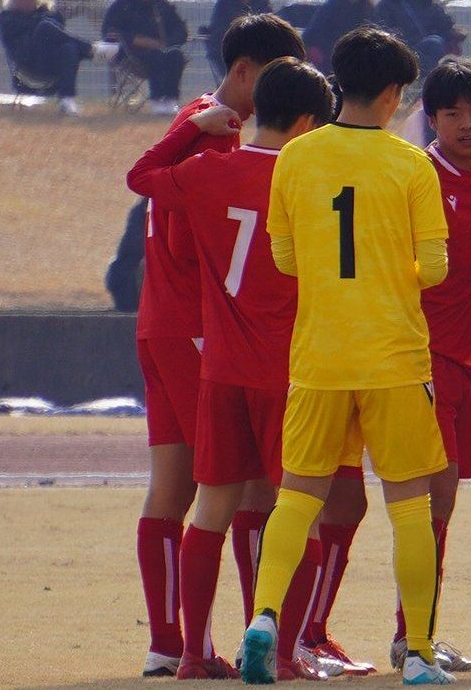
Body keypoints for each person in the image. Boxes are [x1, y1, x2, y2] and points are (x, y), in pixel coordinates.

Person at [238, 27, 454, 686]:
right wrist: (394, 271)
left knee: (297, 498)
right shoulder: (411, 164)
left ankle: (265, 617)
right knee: (410, 507)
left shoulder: (295, 159)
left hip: (319, 356)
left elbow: (282, 258)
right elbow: (438, 268)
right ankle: (417, 653)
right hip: (393, 356)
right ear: (393, 93)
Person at [126, 58, 336, 681]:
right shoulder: (309, 183)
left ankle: (192, 652)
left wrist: (193, 128)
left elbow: (143, 176)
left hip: (220, 371)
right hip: (291, 374)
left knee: (209, 510)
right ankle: (289, 652)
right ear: (305, 122)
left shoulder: (208, 169)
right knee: (302, 510)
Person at [380, 58, 471, 676]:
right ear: (430, 117)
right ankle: (410, 640)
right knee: (423, 501)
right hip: (415, 358)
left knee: (442, 503)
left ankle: (417, 635)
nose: (467, 123)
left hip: (462, 361)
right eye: (452, 112)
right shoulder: (415, 174)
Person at [0, 0, 119, 115]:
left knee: (69, 47)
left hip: (51, 68)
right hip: (26, 71)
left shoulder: (47, 14)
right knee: (44, 27)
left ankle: (67, 101)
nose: (29, 1)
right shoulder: (6, 18)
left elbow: (57, 25)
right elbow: (35, 28)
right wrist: (43, 21)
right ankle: (92, 51)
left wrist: (46, 16)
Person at [102, 0, 189, 115]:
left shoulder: (161, 4)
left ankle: (171, 99)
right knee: (155, 56)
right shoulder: (122, 5)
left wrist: (167, 42)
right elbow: (109, 31)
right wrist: (135, 40)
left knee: (176, 55)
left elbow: (181, 30)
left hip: (163, 50)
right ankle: (157, 100)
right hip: (131, 56)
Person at [376, 0, 466, 76]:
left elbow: (446, 26)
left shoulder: (426, 2)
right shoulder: (385, 6)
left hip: (432, 52)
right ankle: (423, 77)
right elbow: (383, 34)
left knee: (436, 44)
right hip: (403, 53)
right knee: (434, 42)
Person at [205, 0, 271, 80]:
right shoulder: (222, 7)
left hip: (259, 62)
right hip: (228, 63)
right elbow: (217, 42)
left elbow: (271, 36)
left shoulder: (263, 5)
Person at [303, 0, 376, 70]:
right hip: (330, 57)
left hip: (353, 62)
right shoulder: (334, 2)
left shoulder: (368, 8)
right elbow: (312, 31)